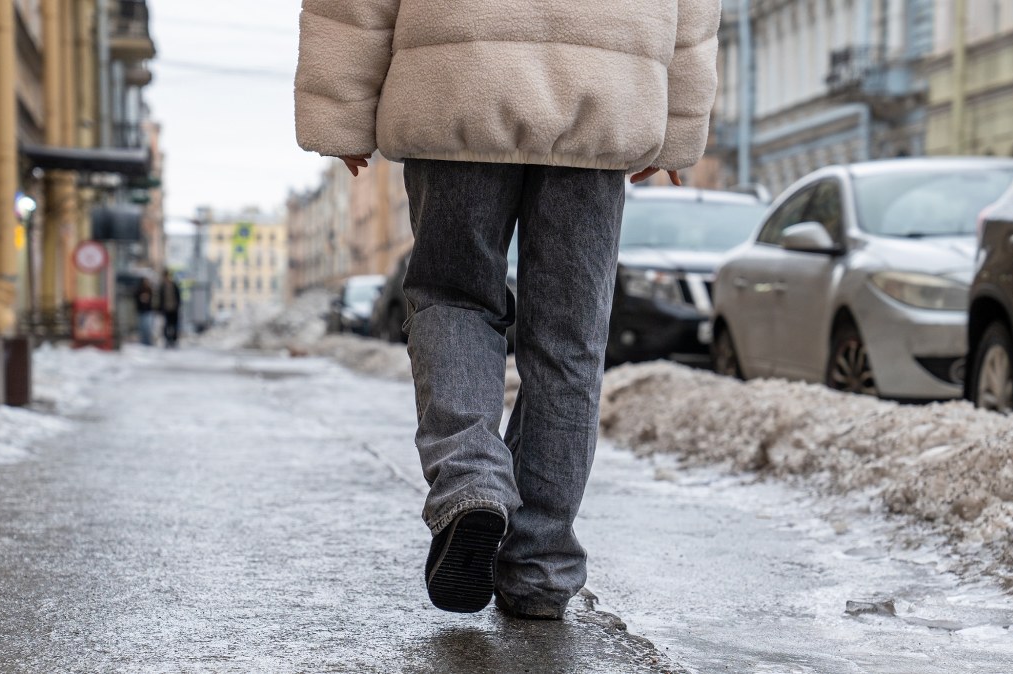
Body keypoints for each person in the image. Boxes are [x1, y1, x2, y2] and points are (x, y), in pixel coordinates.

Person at [295, 0, 720, 619]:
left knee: (454, 297)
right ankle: (540, 565)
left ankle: (471, 482)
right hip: (606, 83)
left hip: (458, 74)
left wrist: (340, 107)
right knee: (568, 339)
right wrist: (679, 121)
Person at [158, 270, 181, 348]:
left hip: (174, 308)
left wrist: (178, 306)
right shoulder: (162, 286)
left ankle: (174, 340)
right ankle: (167, 340)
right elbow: (160, 298)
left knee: (174, 325)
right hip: (166, 309)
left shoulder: (174, 285)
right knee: (166, 326)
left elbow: (178, 296)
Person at [135, 277, 156, 346]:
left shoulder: (149, 290)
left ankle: (148, 341)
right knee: (142, 327)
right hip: (141, 310)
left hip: (148, 310)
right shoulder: (139, 290)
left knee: (148, 327)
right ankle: (143, 341)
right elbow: (136, 298)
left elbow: (152, 299)